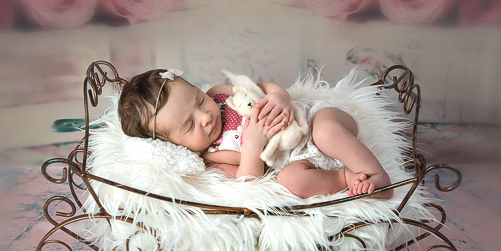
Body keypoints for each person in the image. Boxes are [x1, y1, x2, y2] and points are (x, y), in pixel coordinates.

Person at [117, 68, 394, 199]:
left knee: (327, 134)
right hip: (300, 161)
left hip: (313, 120)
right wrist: (251, 147)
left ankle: (377, 176)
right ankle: (345, 178)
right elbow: (248, 179)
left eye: (199, 100)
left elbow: (265, 87)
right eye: (189, 125)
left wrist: (280, 98)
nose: (205, 117)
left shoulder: (219, 94)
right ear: (173, 144)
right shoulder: (209, 159)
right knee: (291, 182)